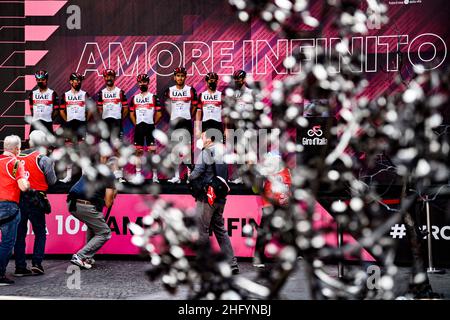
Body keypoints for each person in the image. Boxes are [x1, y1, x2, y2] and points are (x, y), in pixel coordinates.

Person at [188, 130, 239, 274]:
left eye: (203, 136)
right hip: (220, 197)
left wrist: (189, 176)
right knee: (220, 230)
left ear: (210, 139)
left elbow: (198, 171)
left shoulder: (206, 152)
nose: (201, 138)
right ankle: (232, 263)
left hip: (206, 197)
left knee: (202, 230)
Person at [13, 130, 57, 276]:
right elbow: (52, 181)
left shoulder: (16, 158)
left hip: (19, 197)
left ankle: (20, 267)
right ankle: (37, 263)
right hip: (36, 198)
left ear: (30, 142)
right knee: (39, 231)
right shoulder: (43, 159)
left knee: (20, 233)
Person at [66, 157, 117, 269]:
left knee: (93, 226)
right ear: (113, 166)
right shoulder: (110, 175)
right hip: (85, 205)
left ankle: (86, 257)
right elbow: (108, 203)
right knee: (104, 232)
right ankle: (80, 256)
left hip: (71, 202)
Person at [252, 151, 292, 268]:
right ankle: (258, 257)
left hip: (283, 205)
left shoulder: (287, 171)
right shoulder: (266, 171)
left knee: (286, 231)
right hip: (270, 205)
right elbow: (256, 188)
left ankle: (287, 257)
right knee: (264, 232)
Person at [0, 135, 30, 285]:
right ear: (17, 149)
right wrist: (27, 182)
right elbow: (23, 186)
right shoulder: (16, 163)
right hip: (8, 206)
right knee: (7, 242)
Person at [164, 67, 198, 183]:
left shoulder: (191, 90)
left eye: (182, 75)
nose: (180, 78)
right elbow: (167, 107)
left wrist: (188, 115)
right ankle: (176, 176)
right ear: (174, 77)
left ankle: (189, 176)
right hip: (174, 123)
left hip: (186, 122)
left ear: (185, 77)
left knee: (187, 150)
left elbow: (194, 107)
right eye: (178, 75)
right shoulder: (169, 90)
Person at [129, 73, 162, 184]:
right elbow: (131, 114)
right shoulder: (135, 98)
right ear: (138, 83)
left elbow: (159, 114)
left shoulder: (153, 97)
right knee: (138, 152)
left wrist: (153, 124)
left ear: (148, 83)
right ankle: (138, 175)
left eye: (144, 81)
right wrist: (136, 124)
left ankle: (155, 176)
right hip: (139, 127)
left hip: (150, 127)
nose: (142, 83)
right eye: (140, 82)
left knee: (152, 152)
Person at [59, 72, 92, 183]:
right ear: (71, 82)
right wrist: (67, 120)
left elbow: (91, 109)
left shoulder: (84, 94)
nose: (78, 82)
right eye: (76, 80)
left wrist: (85, 120)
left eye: (79, 80)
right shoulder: (65, 95)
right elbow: (61, 110)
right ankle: (68, 176)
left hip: (81, 124)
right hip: (70, 125)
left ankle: (84, 175)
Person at [96, 69, 128, 182]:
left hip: (116, 124)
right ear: (104, 78)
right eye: (106, 76)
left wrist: (119, 119)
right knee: (104, 151)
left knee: (118, 150)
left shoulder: (120, 92)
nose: (109, 78)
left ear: (114, 78)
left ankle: (119, 175)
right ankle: (102, 176)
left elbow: (125, 109)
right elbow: (99, 110)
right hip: (105, 124)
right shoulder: (102, 93)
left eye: (111, 76)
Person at [195, 72, 225, 141]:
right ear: (207, 81)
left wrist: (226, 129)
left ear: (217, 81)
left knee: (219, 149)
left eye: (215, 80)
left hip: (218, 124)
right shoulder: (202, 95)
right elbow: (198, 112)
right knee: (206, 148)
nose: (213, 82)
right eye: (211, 80)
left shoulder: (221, 95)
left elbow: (226, 114)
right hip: (206, 124)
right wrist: (197, 128)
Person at [28, 70, 59, 135]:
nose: (40, 81)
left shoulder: (53, 93)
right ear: (36, 80)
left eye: (42, 79)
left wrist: (49, 118)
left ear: (46, 80)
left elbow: (56, 110)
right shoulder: (32, 94)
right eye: (38, 80)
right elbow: (32, 109)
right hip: (35, 122)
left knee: (50, 143)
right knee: (32, 143)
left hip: (48, 122)